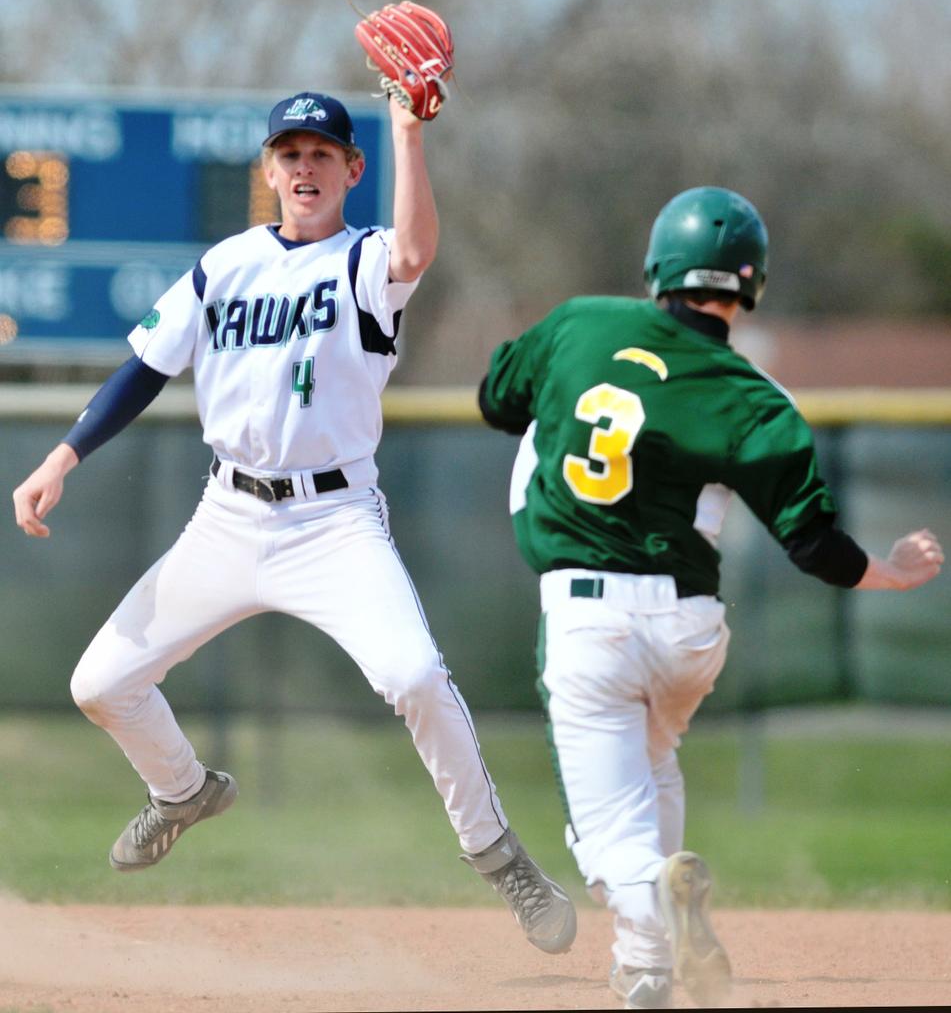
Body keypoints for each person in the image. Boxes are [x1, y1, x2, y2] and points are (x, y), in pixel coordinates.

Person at [11, 90, 576, 956]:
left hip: (335, 521)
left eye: (321, 153)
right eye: (289, 153)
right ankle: (183, 792)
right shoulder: (224, 265)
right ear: (269, 171)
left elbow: (419, 245)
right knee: (100, 685)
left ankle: (498, 857)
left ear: (353, 170)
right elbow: (141, 368)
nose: (304, 167)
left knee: (417, 677)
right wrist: (63, 457)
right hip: (227, 516)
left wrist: (407, 127)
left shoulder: (365, 262)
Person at [478, 185, 944, 1009]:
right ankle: (647, 966)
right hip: (689, 629)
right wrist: (890, 568)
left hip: (587, 616)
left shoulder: (581, 323)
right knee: (652, 759)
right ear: (747, 284)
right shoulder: (758, 398)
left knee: (604, 834)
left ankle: (656, 909)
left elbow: (494, 401)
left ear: (658, 266)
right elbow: (815, 549)